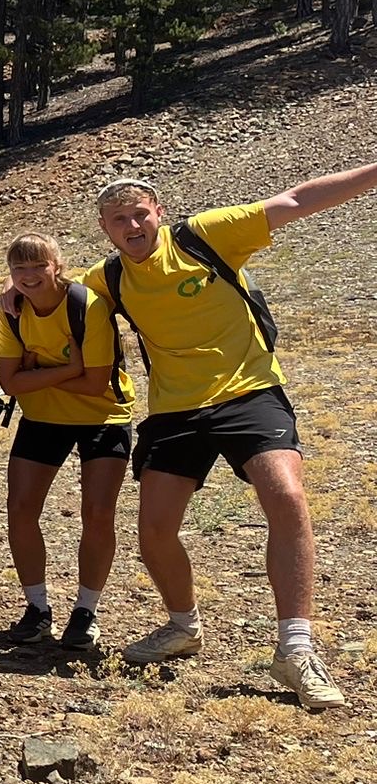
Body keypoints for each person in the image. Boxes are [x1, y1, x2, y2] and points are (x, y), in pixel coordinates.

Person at [89, 166, 377, 710]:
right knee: (154, 530)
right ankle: (183, 626)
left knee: (286, 496)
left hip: (249, 392)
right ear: (105, 228)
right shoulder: (107, 277)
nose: (132, 226)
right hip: (175, 409)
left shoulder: (206, 236)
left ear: (159, 213)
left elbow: (295, 200)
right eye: (119, 219)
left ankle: (295, 648)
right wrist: (11, 289)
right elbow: (51, 286)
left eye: (140, 214)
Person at [0, 233, 134, 650]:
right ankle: (37, 609)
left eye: (39, 265)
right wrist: (70, 367)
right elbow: (9, 382)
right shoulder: (12, 310)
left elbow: (95, 384)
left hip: (103, 417)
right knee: (20, 510)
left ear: (57, 265)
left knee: (97, 514)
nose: (29, 275)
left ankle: (86, 611)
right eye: (19, 268)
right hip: (42, 418)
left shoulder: (87, 306)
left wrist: (37, 372)